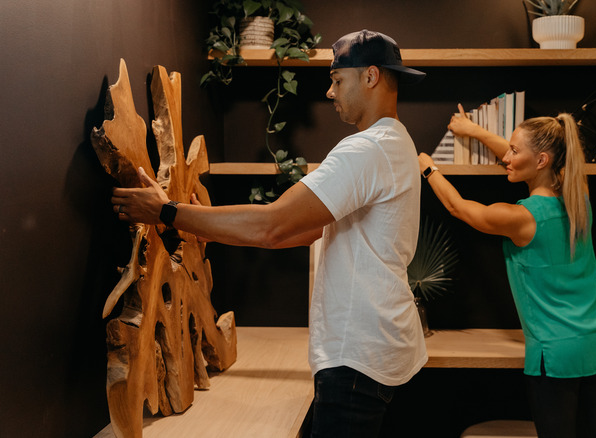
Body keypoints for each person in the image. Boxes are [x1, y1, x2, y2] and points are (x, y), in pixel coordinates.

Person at [112, 29, 428, 438]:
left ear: (370, 76)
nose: (329, 93)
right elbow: (300, 232)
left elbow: (272, 226)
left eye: (336, 80)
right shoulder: (395, 144)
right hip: (377, 348)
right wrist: (185, 218)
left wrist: (167, 212)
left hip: (357, 357)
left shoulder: (368, 149)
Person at [418, 104, 596, 438]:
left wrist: (428, 168)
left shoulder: (522, 218)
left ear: (542, 160)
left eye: (514, 150)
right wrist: (475, 131)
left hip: (557, 352)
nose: (506, 157)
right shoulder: (578, 196)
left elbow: (460, 208)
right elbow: (525, 160)